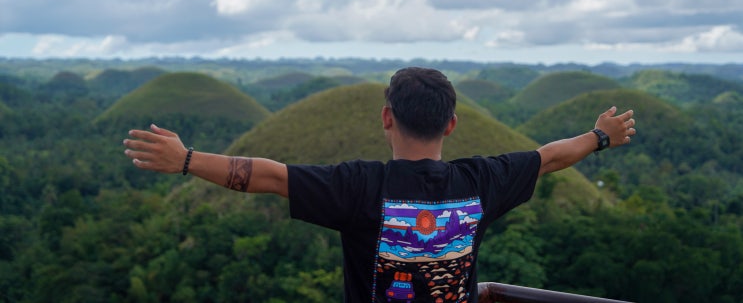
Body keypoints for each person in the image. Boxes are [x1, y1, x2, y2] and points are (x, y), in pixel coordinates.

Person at [123, 67, 636, 302]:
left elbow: (269, 175)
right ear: (451, 124)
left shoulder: (357, 187)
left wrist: (187, 160)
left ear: (386, 118)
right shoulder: (481, 181)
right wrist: (601, 136)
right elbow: (550, 157)